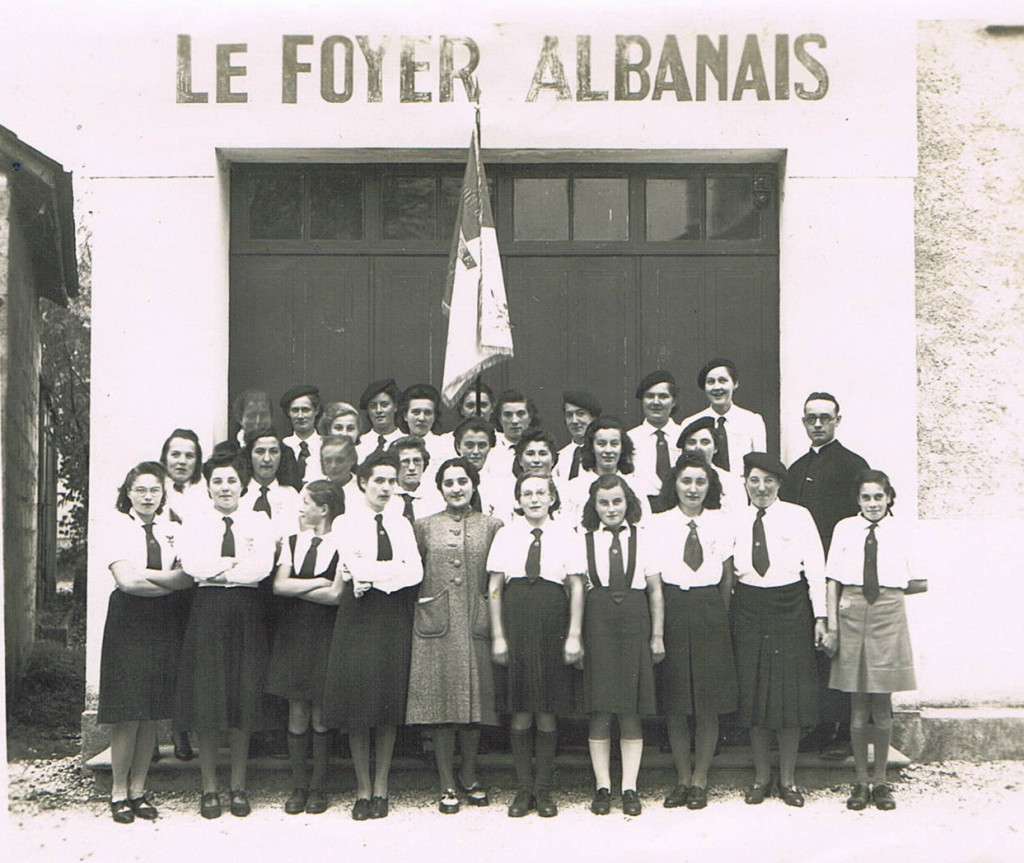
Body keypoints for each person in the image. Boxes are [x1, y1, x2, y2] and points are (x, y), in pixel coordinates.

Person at [175, 449, 277, 819]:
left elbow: (261, 568)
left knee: (242, 697)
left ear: (242, 484)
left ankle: (239, 787)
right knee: (208, 699)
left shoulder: (259, 521)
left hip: (246, 613)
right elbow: (192, 565)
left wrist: (219, 569)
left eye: (231, 480)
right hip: (208, 612)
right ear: (208, 486)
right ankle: (209, 788)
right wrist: (233, 564)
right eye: (217, 480)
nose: (224, 487)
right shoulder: (196, 522)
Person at [321, 452, 422, 820]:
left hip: (391, 616)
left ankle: (382, 786)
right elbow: (353, 567)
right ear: (363, 481)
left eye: (391, 481)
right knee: (359, 703)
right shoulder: (345, 523)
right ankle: (362, 788)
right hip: (358, 616)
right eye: (379, 480)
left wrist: (375, 577)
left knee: (386, 703)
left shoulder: (402, 524)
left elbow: (414, 572)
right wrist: (385, 573)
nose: (386, 487)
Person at [823, 469, 926, 812]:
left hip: (887, 611)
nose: (872, 504)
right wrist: (834, 624)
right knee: (857, 705)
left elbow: (919, 581)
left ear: (889, 497)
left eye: (878, 497)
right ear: (857, 500)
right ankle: (860, 783)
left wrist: (886, 591)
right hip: (851, 610)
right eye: (865, 497)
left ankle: (881, 783)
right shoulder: (844, 529)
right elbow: (832, 580)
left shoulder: (902, 530)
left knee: (882, 703)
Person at [406, 458, 504, 814]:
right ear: (440, 488)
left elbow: (498, 578)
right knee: (442, 704)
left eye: (463, 481)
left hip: (476, 622)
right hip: (436, 626)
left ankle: (469, 772)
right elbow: (410, 572)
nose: (457, 488)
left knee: (474, 705)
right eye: (449, 483)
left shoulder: (494, 526)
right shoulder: (424, 527)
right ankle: (446, 780)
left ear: (474, 484)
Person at [98, 462, 194, 823]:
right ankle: (118, 792)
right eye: (140, 490)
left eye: (154, 490)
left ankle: (139, 790)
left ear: (162, 494)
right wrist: (167, 581)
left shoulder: (173, 531)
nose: (147, 496)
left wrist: (153, 576)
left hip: (163, 622)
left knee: (152, 711)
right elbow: (127, 582)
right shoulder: (117, 528)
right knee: (128, 712)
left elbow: (187, 579)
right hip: (129, 621)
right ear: (128, 493)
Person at [730, 452, 826, 808]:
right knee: (755, 694)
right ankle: (760, 777)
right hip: (749, 607)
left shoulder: (798, 517)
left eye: (769, 480)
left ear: (779, 484)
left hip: (790, 607)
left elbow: (815, 567)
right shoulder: (734, 519)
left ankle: (787, 780)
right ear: (745, 482)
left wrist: (821, 617)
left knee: (788, 697)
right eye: (754, 480)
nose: (761, 487)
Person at [487, 471, 585, 818]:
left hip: (552, 621)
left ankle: (543, 790)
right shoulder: (506, 534)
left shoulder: (566, 534)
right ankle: (523, 788)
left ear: (552, 497)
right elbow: (495, 586)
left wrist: (574, 634)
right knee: (520, 708)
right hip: (516, 620)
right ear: (518, 499)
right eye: (526, 493)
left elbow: (575, 586)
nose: (533, 499)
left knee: (546, 706)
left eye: (540, 492)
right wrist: (498, 634)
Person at [780, 392, 870, 758]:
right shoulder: (797, 469)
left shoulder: (854, 465)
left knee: (842, 647)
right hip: (806, 571)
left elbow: (865, 520)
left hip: (841, 569)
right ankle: (819, 724)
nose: (817, 424)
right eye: (811, 418)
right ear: (804, 422)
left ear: (837, 420)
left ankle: (847, 732)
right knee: (814, 648)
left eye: (825, 418)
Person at [648, 453, 738, 810]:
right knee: (676, 701)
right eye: (686, 481)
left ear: (709, 486)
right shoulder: (658, 524)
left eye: (701, 482)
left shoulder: (721, 522)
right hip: (672, 606)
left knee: (707, 702)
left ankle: (701, 779)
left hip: (709, 608)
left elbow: (728, 574)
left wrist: (719, 615)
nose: (693, 489)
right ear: (675, 485)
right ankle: (682, 778)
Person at [579, 474, 663, 817]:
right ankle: (603, 786)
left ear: (628, 502)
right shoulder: (582, 540)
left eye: (617, 501)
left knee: (630, 708)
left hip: (634, 622)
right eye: (603, 502)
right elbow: (576, 590)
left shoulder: (644, 538)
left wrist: (656, 634)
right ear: (593, 506)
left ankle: (629, 786)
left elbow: (655, 590)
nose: (611, 509)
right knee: (600, 709)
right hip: (597, 623)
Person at [265, 480, 346, 815]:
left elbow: (336, 595)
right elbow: (279, 585)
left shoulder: (342, 544)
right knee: (297, 708)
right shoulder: (293, 543)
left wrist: (300, 589)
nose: (300, 507)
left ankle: (318, 787)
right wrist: (315, 582)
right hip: (295, 633)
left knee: (321, 713)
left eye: (306, 502)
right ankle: (298, 786)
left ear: (323, 509)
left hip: (326, 634)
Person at [680, 358, 766, 476]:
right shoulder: (691, 422)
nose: (716, 387)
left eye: (722, 381)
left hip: (741, 489)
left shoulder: (752, 421)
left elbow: (760, 466)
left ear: (735, 384)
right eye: (710, 382)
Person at [561, 416, 636, 522]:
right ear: (591, 447)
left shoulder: (636, 485)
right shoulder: (573, 489)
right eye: (601, 444)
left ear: (622, 447)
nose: (608, 450)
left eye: (614, 444)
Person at [674, 416, 747, 513]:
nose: (698, 447)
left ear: (715, 448)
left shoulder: (731, 482)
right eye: (692, 442)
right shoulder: (674, 477)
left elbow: (738, 517)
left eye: (705, 442)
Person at [628, 371, 681, 502]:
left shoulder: (685, 436)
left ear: (673, 401)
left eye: (663, 396)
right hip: (643, 508)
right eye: (650, 396)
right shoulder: (630, 438)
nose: (656, 402)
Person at [243, 428, 302, 539]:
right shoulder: (240, 493)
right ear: (249, 455)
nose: (267, 459)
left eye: (274, 451)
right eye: (259, 451)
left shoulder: (291, 495)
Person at [452, 417, 501, 516]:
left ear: (489, 447)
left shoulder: (499, 485)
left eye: (482, 446)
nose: (476, 452)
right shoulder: (447, 484)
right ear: (458, 447)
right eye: (469, 446)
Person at [388, 435, 443, 521]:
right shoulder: (385, 497)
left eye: (417, 461)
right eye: (405, 462)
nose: (412, 468)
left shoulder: (436, 499)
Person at [160, 429, 206, 525]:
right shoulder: (154, 489)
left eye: (189, 456)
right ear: (165, 457)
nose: (182, 461)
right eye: (175, 455)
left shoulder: (208, 490)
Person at [437, 381, 496, 456]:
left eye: (483, 405)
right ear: (461, 409)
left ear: (492, 408)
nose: (477, 411)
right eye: (470, 406)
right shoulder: (444, 442)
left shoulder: (503, 443)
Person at [555, 391, 602, 482]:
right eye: (569, 415)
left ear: (593, 417)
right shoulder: (560, 456)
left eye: (580, 414)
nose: (574, 421)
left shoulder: (603, 453)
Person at [280, 385, 323, 484]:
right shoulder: (283, 446)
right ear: (288, 413)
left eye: (305, 410)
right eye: (295, 410)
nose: (300, 416)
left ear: (316, 411)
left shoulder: (325, 445)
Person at [492, 389, 540, 475]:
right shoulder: (491, 450)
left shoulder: (541, 449)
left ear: (530, 417)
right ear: (499, 419)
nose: (514, 421)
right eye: (508, 415)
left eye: (520, 414)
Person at [356, 378, 403, 462]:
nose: (379, 410)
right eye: (373, 406)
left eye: (384, 405)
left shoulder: (405, 441)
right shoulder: (360, 443)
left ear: (395, 406)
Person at [397, 383, 445, 459]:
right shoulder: (396, 447)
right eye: (416, 412)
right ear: (405, 416)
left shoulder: (444, 447)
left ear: (435, 417)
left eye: (427, 413)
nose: (421, 418)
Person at [319, 434, 358, 502]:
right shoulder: (313, 489)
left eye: (340, 460)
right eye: (328, 461)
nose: (333, 466)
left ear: (352, 460)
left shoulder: (363, 489)